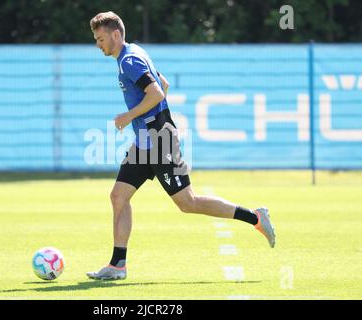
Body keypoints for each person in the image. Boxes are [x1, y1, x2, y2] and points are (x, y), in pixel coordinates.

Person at [87, 11, 275, 280]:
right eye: (96, 39)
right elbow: (163, 82)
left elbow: (157, 92)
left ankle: (255, 217)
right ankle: (118, 265)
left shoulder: (129, 61)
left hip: (159, 140)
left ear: (116, 35)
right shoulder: (134, 52)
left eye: (101, 38)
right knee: (118, 196)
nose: (98, 44)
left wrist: (132, 116)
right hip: (145, 141)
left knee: (188, 203)